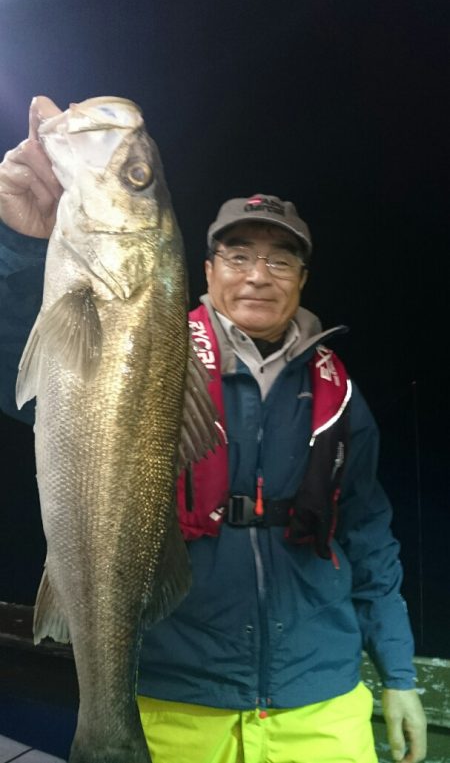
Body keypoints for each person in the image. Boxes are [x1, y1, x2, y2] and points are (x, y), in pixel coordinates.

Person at [0, 97, 427, 763]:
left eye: (280, 259)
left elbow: (369, 537)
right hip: (177, 699)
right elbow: (32, 388)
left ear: (303, 278)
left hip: (321, 698)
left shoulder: (338, 394)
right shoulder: (152, 353)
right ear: (205, 270)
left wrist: (398, 675)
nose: (257, 274)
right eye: (237, 254)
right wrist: (24, 247)